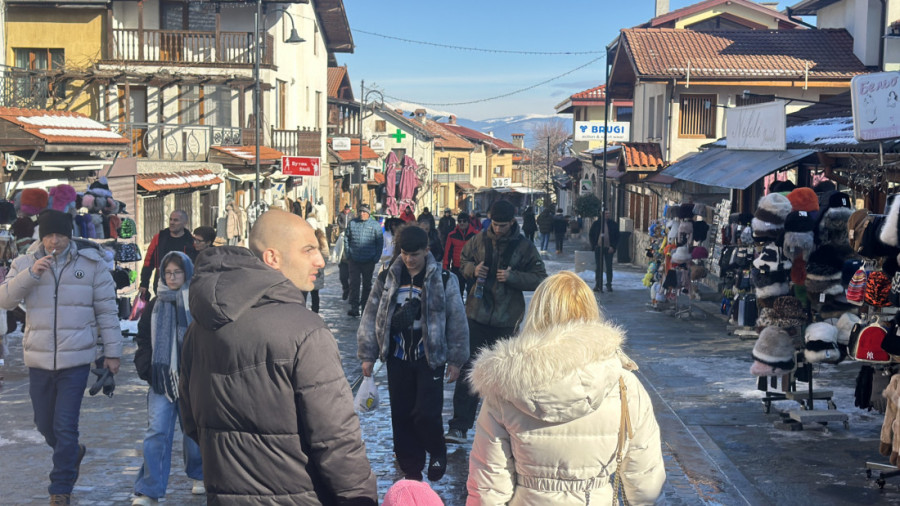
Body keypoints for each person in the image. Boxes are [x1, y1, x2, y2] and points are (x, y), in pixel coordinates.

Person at [180, 210, 377, 504]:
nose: (321, 261)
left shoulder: (199, 327)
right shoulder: (307, 332)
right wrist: (361, 498)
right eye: (308, 250)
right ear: (273, 258)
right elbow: (336, 438)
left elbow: (191, 422)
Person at [465, 272, 666, 504]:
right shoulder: (624, 386)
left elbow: (488, 486)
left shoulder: (506, 385)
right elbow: (646, 483)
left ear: (536, 314)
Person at [0, 209, 122, 505]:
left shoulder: (91, 265)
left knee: (65, 425)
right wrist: (30, 275)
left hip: (76, 359)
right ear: (42, 237)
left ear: (70, 235)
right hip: (39, 360)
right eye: (49, 235)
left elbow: (107, 310)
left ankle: (60, 488)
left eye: (60, 235)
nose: (55, 242)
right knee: (45, 425)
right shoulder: (24, 262)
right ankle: (72, 452)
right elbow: (5, 299)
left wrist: (113, 353)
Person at [358, 225, 469, 482]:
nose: (409, 259)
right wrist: (367, 354)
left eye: (415, 254)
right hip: (397, 356)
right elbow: (371, 313)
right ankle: (412, 468)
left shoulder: (442, 278)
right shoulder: (387, 276)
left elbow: (457, 319)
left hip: (429, 357)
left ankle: (437, 451)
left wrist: (456, 359)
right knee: (402, 413)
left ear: (426, 251)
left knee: (426, 413)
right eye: (405, 253)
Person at [445, 200, 547, 444]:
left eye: (503, 225)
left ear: (512, 222)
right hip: (476, 314)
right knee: (469, 370)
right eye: (495, 224)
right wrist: (472, 269)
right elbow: (463, 262)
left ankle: (505, 425)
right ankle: (459, 426)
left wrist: (514, 277)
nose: (498, 229)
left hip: (506, 318)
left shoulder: (524, 247)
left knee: (504, 375)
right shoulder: (478, 240)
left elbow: (540, 278)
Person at [132, 252, 203, 506]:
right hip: (161, 380)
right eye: (168, 273)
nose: (172, 278)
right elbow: (142, 340)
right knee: (156, 433)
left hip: (193, 380)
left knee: (194, 432)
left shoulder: (197, 304)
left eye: (177, 272)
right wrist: (148, 369)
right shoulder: (154, 305)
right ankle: (149, 490)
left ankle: (200, 474)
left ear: (187, 273)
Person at [140, 210, 195, 296]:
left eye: (176, 220)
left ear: (185, 223)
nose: (172, 223)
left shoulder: (191, 241)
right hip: (161, 283)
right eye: (171, 219)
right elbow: (148, 262)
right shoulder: (159, 238)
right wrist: (144, 284)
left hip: (184, 285)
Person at [345, 204, 384, 317]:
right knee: (354, 284)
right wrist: (348, 254)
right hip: (354, 259)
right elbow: (347, 238)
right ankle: (354, 307)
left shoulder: (375, 226)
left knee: (367, 285)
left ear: (368, 213)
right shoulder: (352, 223)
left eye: (364, 212)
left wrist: (376, 257)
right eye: (360, 211)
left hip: (368, 260)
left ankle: (365, 306)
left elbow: (379, 242)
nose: (362, 214)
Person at [443, 212, 476, 299]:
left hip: (471, 268)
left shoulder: (476, 235)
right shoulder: (452, 235)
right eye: (459, 221)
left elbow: (480, 253)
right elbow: (447, 253)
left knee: (471, 293)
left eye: (464, 221)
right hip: (457, 268)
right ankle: (458, 311)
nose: (461, 223)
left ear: (468, 222)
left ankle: (470, 311)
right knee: (456, 294)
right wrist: (445, 268)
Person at [589, 210, 620, 292]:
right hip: (598, 248)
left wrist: (613, 247)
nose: (607, 215)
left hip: (609, 248)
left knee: (609, 266)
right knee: (599, 267)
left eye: (608, 213)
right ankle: (598, 283)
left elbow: (617, 236)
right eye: (606, 213)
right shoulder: (596, 224)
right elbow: (591, 234)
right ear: (602, 214)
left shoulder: (613, 224)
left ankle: (609, 283)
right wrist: (594, 245)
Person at [303, 228, 330, 313]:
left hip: (310, 272)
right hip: (315, 272)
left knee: (306, 293)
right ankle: (314, 311)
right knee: (314, 294)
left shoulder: (306, 240)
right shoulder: (321, 241)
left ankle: (304, 310)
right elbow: (326, 255)